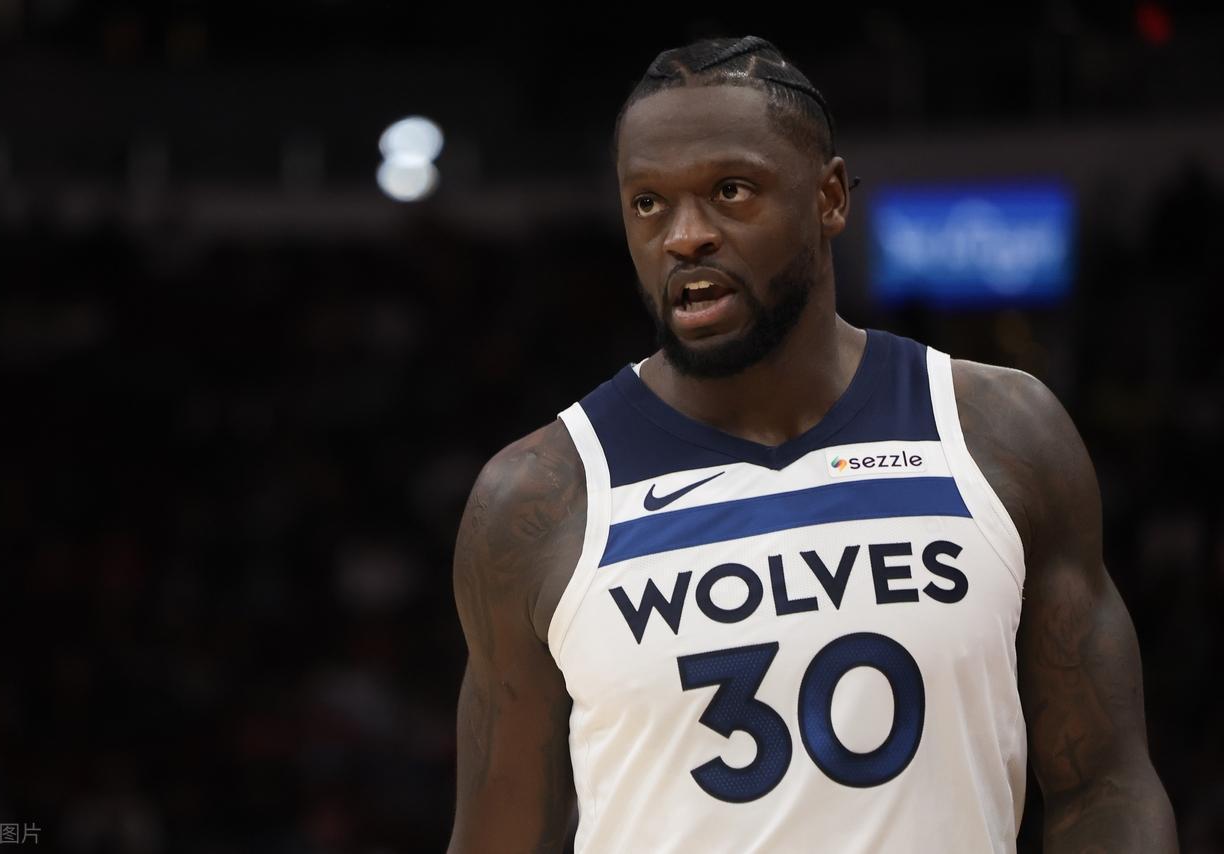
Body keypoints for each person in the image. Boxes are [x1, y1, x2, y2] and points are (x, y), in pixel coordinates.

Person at [447, 35, 1178, 853]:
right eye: (648, 203)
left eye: (730, 191)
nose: (685, 236)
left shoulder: (999, 432)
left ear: (829, 198)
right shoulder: (539, 498)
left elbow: (1103, 786)